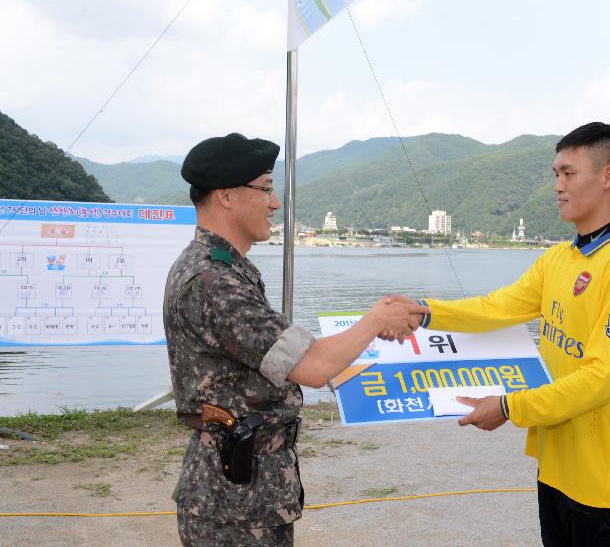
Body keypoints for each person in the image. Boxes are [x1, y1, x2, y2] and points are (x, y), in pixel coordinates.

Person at [164, 133, 425, 546]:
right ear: (226, 196)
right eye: (266, 188)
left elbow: (283, 362)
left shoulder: (226, 269)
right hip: (233, 505)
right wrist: (377, 319)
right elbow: (314, 366)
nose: (275, 203)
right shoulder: (215, 282)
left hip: (245, 490)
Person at [410, 123, 610, 546]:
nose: (558, 186)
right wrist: (425, 313)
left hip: (602, 482)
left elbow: (602, 378)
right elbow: (497, 307)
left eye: (568, 173)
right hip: (555, 463)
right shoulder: (559, 258)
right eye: (555, 175)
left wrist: (509, 406)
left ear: (607, 177)